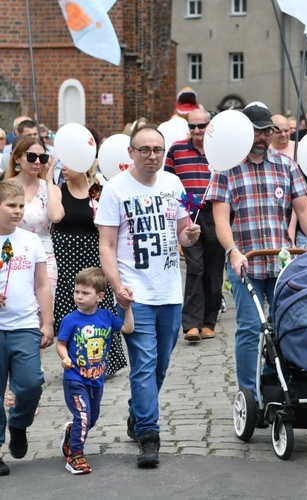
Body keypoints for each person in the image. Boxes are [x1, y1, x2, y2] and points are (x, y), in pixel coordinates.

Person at [96, 124, 201, 468]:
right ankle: (149, 434)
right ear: (131, 153)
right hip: (134, 293)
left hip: (170, 291)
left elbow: (184, 235)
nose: (152, 155)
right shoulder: (115, 190)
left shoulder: (174, 184)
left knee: (161, 365)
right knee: (143, 365)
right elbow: (107, 245)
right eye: (145, 150)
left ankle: (137, 412)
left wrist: (191, 234)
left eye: (158, 149)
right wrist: (116, 286)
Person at [205, 104, 307, 404]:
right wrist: (232, 251)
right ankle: (250, 392)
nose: (262, 136)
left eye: (266, 130)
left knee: (285, 323)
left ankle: (276, 379)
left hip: (281, 260)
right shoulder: (226, 168)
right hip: (246, 261)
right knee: (249, 327)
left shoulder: (286, 165)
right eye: (257, 131)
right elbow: (220, 219)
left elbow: (304, 208)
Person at [52, 159, 127, 378]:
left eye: (69, 162)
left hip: (91, 253)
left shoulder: (97, 190)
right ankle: (75, 360)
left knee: (99, 303)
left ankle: (107, 361)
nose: (64, 167)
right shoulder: (59, 191)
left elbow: (109, 224)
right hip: (65, 257)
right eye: (61, 163)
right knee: (69, 306)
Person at [57, 267, 135, 474]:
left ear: (99, 296)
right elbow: (61, 343)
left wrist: (127, 308)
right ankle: (75, 456)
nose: (79, 297)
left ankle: (71, 433)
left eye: (85, 293)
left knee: (91, 419)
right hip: (75, 378)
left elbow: (128, 329)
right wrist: (65, 358)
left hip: (97, 379)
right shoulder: (70, 320)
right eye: (77, 292)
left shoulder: (107, 317)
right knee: (83, 416)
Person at [0, 180, 54, 476]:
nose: (18, 211)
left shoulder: (30, 240)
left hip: (24, 325)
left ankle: (19, 423)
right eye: (10, 205)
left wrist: (46, 322)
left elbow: (42, 284)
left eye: (21, 206)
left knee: (31, 383)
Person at [165, 108, 225, 343]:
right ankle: (191, 324)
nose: (197, 130)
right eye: (193, 126)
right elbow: (168, 179)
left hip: (216, 211)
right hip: (187, 212)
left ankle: (209, 322)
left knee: (214, 268)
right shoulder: (177, 150)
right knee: (195, 267)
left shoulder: (220, 150)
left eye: (202, 126)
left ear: (210, 126)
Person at [6, 136, 64, 298]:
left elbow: (56, 216)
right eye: (31, 156)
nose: (37, 162)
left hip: (43, 256)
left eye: (43, 157)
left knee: (45, 314)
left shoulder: (50, 188)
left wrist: (49, 181)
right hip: (11, 253)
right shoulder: (6, 188)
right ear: (17, 157)